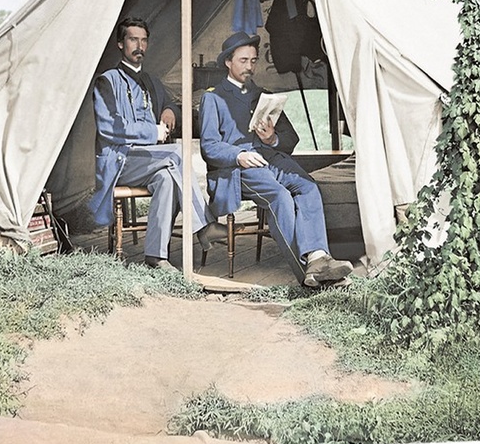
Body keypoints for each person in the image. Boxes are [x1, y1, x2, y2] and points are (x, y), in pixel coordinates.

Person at [198, 31, 353, 288]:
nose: (250, 66)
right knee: (279, 196)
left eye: (253, 61)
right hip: (238, 169)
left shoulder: (264, 95)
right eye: (243, 60)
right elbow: (209, 147)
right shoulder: (213, 98)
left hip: (272, 160)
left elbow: (290, 138)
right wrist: (239, 155)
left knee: (308, 187)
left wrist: (272, 139)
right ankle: (307, 275)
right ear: (228, 61)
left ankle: (317, 257)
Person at [88, 16, 229, 270]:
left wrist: (169, 110)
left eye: (143, 40)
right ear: (121, 44)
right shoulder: (106, 81)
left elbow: (170, 101)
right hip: (120, 161)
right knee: (176, 152)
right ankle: (205, 226)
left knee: (166, 178)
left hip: (151, 162)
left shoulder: (152, 81)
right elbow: (110, 128)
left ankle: (155, 256)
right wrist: (152, 132)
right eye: (133, 39)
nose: (139, 46)